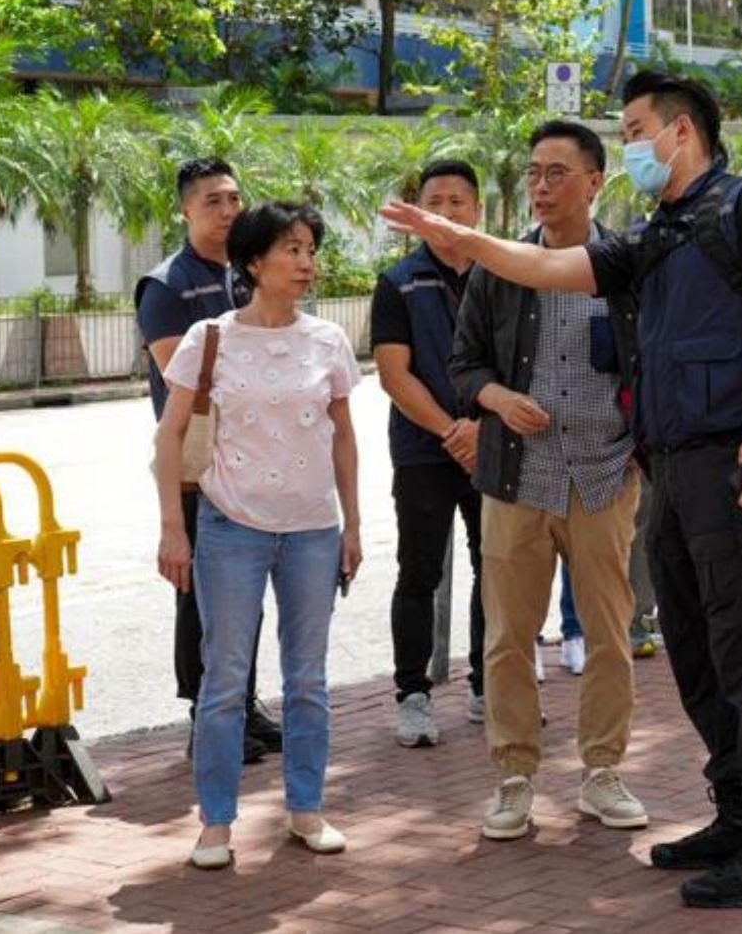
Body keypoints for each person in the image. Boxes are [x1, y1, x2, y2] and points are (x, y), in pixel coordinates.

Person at [381, 71, 742, 911]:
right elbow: (541, 264)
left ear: (681, 130)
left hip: (739, 460)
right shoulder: (660, 232)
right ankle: (735, 813)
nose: (632, 144)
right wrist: (452, 233)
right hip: (672, 472)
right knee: (698, 652)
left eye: (637, 128)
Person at [450, 119, 647, 842]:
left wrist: (639, 448)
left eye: (557, 172)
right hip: (517, 478)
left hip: (603, 473)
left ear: (596, 181)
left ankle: (601, 772)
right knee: (508, 636)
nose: (540, 186)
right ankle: (513, 776)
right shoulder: (499, 267)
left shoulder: (626, 264)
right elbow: (463, 363)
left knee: (608, 632)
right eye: (534, 172)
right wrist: (497, 399)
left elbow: (651, 358)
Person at [152, 201, 363, 871]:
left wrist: (353, 522)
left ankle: (306, 808)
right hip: (230, 527)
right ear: (253, 261)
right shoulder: (208, 338)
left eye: (310, 249)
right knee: (224, 681)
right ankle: (215, 822)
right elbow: (170, 434)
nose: (307, 263)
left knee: (307, 679)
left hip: (311, 530)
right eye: (292, 249)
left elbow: (344, 437)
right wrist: (172, 529)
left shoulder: (327, 340)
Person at [134, 156, 277, 764]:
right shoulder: (166, 284)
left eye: (234, 199)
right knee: (202, 588)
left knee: (250, 582)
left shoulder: (250, 274)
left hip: (257, 455)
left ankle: (243, 705)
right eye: (213, 200)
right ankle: (206, 714)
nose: (227, 210)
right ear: (185, 209)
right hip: (198, 461)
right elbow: (178, 374)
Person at [371, 159, 488, 747]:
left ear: (479, 209)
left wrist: (482, 430)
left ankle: (487, 686)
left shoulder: (503, 273)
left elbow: (521, 360)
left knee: (497, 566)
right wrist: (453, 432)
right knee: (419, 571)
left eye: (457, 201)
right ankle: (412, 695)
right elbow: (395, 375)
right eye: (433, 202)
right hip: (424, 449)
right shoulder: (399, 282)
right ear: (417, 214)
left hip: (493, 446)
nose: (444, 212)